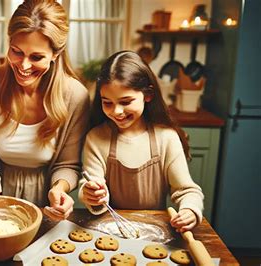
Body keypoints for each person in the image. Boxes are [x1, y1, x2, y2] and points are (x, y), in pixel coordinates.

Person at [0, 0, 90, 221]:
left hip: (45, 207)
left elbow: (68, 165)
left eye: (36, 57)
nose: (23, 66)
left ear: (55, 54)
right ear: (9, 43)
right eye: (17, 52)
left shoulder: (75, 96)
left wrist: (59, 189)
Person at [80, 51, 204, 233]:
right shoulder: (96, 138)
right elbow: (92, 185)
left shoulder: (166, 138)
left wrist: (189, 210)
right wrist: (92, 195)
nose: (117, 111)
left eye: (126, 101)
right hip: (109, 230)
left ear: (148, 94)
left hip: (156, 231)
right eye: (107, 102)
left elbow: (187, 191)